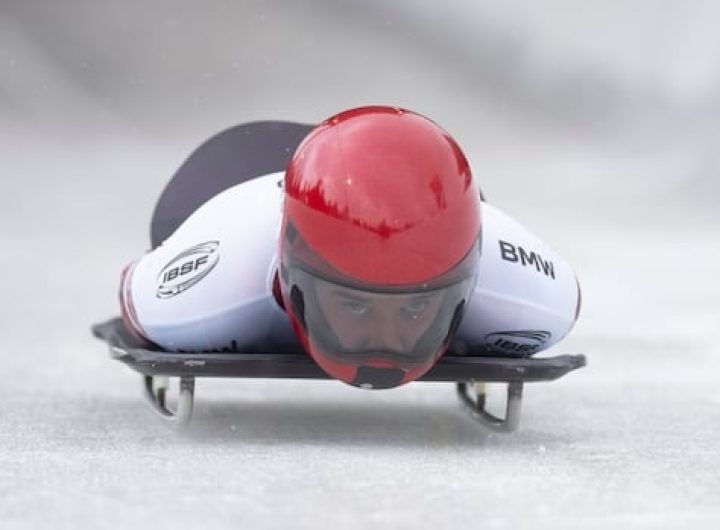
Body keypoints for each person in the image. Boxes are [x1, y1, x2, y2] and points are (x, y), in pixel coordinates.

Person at [119, 106, 581, 390]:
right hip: (231, 178)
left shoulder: (538, 298)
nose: (388, 345)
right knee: (168, 224)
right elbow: (134, 288)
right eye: (357, 307)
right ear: (289, 272)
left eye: (417, 307)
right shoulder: (191, 299)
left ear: (471, 275)